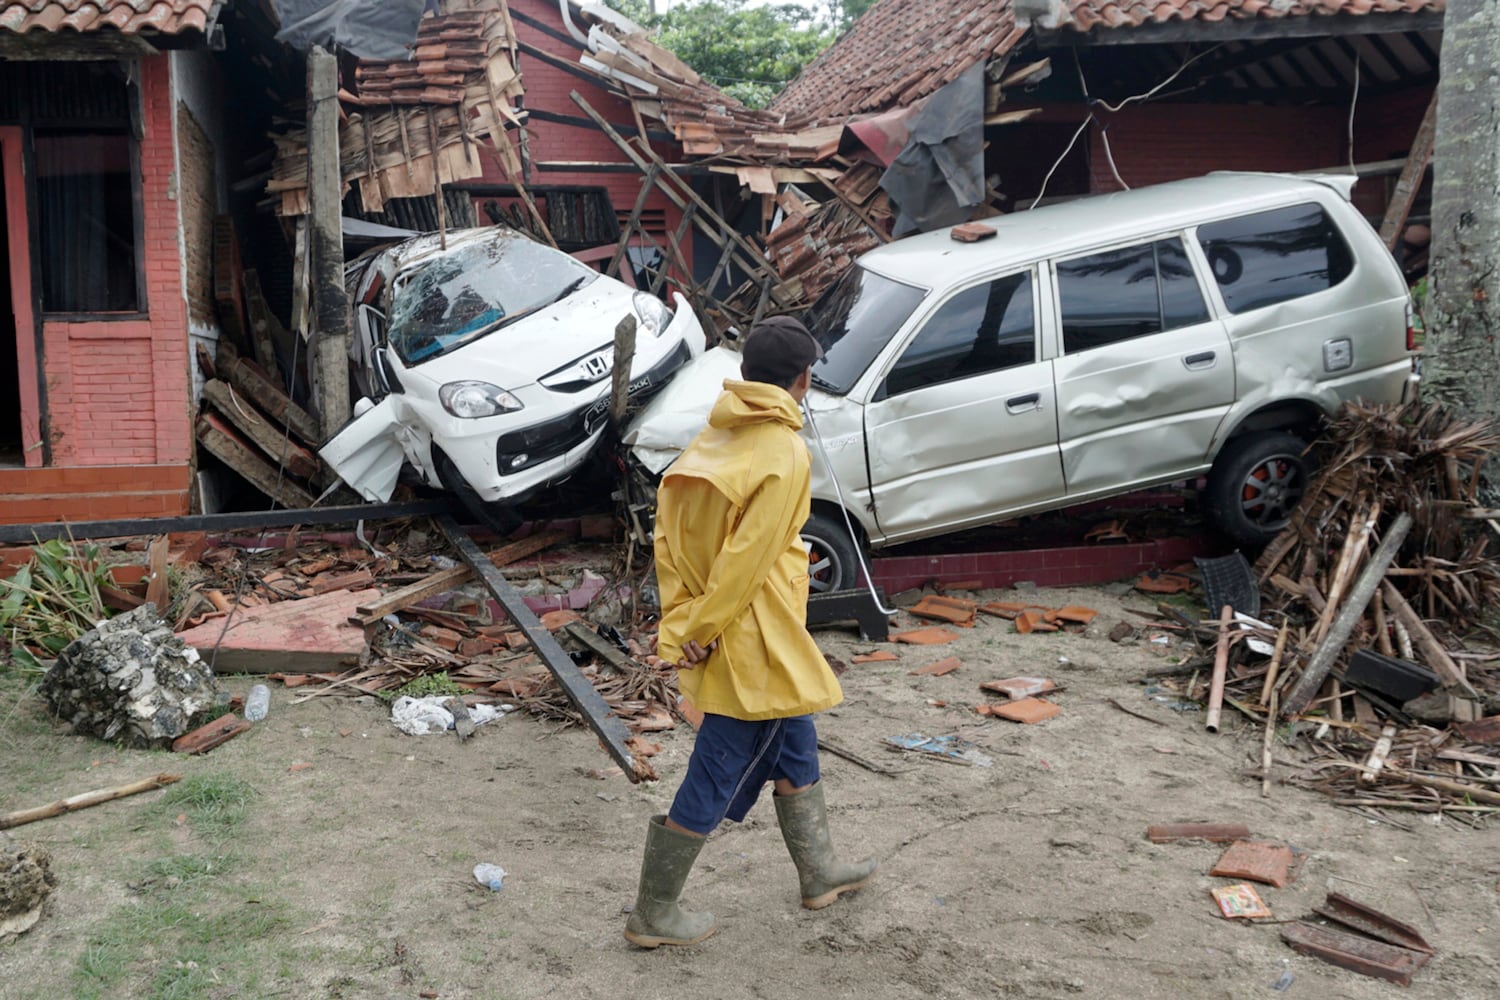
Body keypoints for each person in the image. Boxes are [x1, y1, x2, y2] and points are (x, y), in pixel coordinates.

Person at [623, 316, 877, 949]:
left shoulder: (712, 437)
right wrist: (702, 630)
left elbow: (671, 541)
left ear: (743, 374)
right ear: (803, 379)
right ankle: (654, 912)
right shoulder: (781, 450)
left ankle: (818, 871)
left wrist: (682, 617)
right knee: (717, 769)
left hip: (747, 628)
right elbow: (749, 558)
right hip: (749, 635)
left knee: (797, 742)